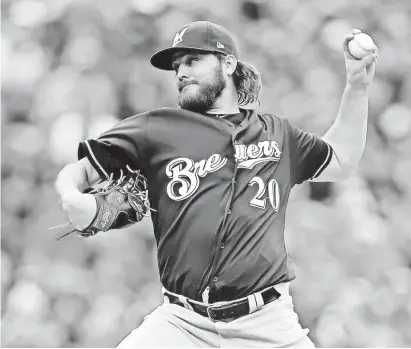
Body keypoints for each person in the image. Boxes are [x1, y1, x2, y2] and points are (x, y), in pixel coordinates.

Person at [55, 21, 378, 347]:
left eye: (192, 60)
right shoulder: (157, 128)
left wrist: (357, 87)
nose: (181, 72)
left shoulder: (277, 133)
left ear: (228, 63)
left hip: (267, 323)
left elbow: (340, 160)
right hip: (182, 323)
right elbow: (78, 171)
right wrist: (71, 197)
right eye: (177, 66)